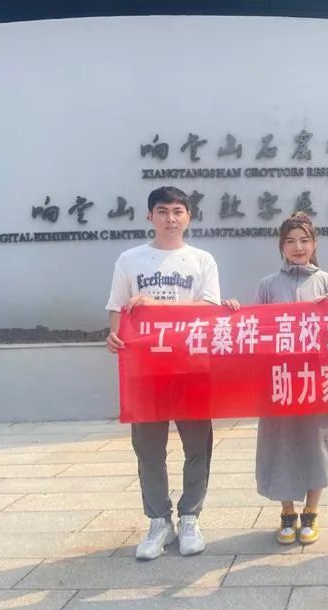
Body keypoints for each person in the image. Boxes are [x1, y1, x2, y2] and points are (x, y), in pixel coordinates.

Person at [105, 185, 237, 560]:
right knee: (149, 449)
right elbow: (117, 309)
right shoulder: (130, 260)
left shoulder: (201, 260)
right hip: (145, 372)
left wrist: (156, 307)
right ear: (150, 216)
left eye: (178, 211)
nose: (170, 218)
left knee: (197, 446)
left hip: (190, 369)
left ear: (189, 217)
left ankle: (190, 516)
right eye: (162, 211)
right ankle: (159, 520)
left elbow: (209, 310)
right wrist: (115, 336)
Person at [254, 211, 328, 545]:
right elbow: (256, 332)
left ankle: (311, 513)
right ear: (281, 246)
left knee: (317, 444)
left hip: (318, 380)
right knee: (280, 444)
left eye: (304, 240)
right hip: (279, 380)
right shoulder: (267, 286)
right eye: (290, 241)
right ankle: (287, 513)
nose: (298, 247)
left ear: (314, 244)